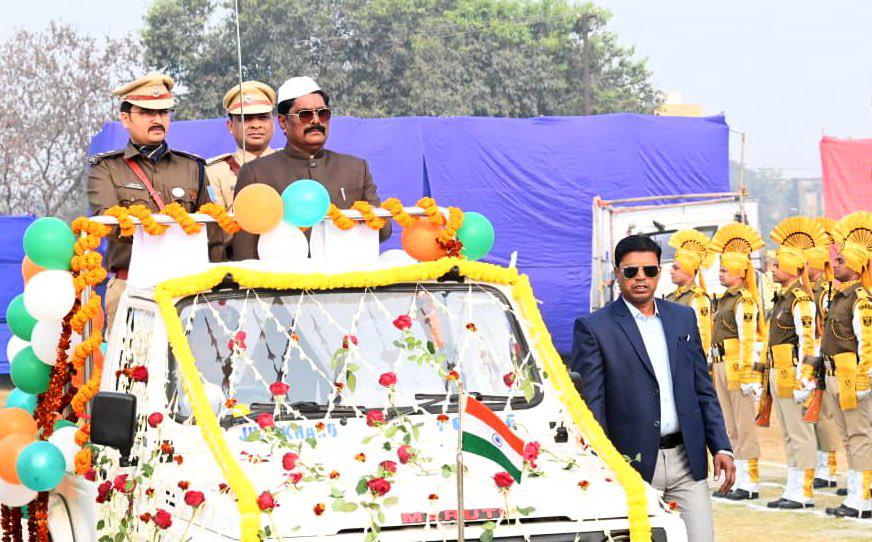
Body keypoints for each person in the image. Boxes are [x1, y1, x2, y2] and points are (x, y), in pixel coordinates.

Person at [571, 235, 734, 542]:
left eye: (649, 270)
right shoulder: (594, 328)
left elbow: (702, 388)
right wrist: (603, 465)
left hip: (688, 461)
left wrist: (721, 446)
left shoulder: (683, 318)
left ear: (659, 271)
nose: (641, 278)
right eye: (631, 271)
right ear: (617, 274)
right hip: (630, 467)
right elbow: (592, 405)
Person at [87, 72, 214, 328]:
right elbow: (109, 224)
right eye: (147, 112)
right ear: (125, 118)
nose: (157, 119)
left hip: (188, 288)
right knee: (132, 356)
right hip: (131, 287)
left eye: (163, 112)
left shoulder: (192, 167)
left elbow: (213, 229)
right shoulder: (106, 168)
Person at [231, 76, 391, 259]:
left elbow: (383, 232)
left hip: (346, 274)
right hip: (284, 276)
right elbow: (245, 250)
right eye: (305, 114)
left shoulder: (355, 168)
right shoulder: (257, 173)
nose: (316, 121)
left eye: (323, 113)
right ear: (282, 122)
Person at [765, 217, 828, 509]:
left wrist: (805, 378)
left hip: (792, 371)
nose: (772, 269)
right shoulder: (783, 298)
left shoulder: (801, 299)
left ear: (791, 269)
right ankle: (792, 488)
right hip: (778, 369)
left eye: (777, 265)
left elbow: (807, 339)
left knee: (800, 433)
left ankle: (803, 491)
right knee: (789, 432)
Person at [819, 211, 872, 518]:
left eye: (840, 261)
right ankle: (855, 494)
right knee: (849, 438)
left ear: (854, 266)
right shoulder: (839, 297)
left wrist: (864, 379)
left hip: (852, 376)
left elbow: (867, 342)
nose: (834, 264)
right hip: (835, 374)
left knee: (860, 436)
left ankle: (863, 499)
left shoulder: (860, 299)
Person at [707, 222, 765, 501]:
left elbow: (748, 339)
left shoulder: (744, 301)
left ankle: (750, 482)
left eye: (724, 270)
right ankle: (736, 479)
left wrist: (749, 376)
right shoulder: (724, 300)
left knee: (744, 425)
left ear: (740, 273)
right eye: (720, 270)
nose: (719, 274)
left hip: (736, 366)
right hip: (721, 364)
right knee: (730, 426)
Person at [806, 218, 841, 489]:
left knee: (826, 414)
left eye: (807, 262)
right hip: (815, 356)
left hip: (826, 355)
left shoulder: (826, 292)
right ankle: (821, 463)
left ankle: (828, 468)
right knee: (815, 413)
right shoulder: (810, 291)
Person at [205, 81, 277, 211]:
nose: (256, 125)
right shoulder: (214, 172)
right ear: (230, 126)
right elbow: (216, 221)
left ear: (273, 123)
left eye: (263, 117)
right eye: (246, 118)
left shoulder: (290, 164)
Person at [666, 229, 714, 358]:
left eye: (676, 268)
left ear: (688, 270)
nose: (671, 271)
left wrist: (697, 363)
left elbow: (703, 336)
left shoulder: (698, 298)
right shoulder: (670, 297)